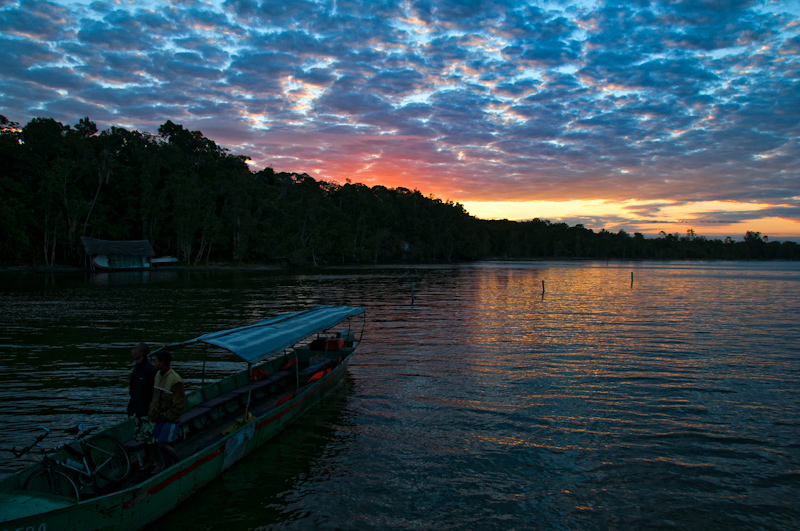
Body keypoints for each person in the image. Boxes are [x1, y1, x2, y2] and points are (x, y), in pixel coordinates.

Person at [143, 350, 186, 473]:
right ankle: (165, 464)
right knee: (156, 442)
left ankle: (177, 461)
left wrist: (167, 416)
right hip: (157, 416)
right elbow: (155, 397)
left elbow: (179, 403)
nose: (154, 363)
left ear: (162, 363)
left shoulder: (175, 379)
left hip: (169, 418)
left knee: (162, 443)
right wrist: (152, 412)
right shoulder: (158, 375)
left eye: (156, 361)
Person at [128, 342, 156, 443]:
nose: (132, 351)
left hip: (147, 412)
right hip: (138, 411)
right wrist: (131, 407)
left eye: (135, 349)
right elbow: (134, 391)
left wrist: (151, 409)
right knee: (140, 439)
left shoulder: (149, 369)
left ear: (141, 353)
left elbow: (154, 391)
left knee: (150, 441)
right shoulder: (136, 369)